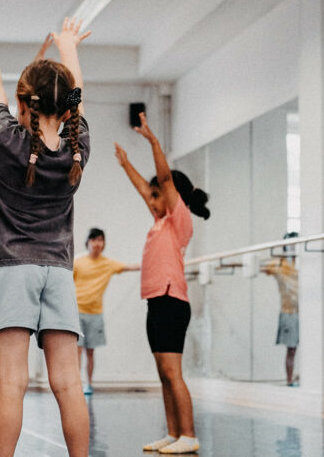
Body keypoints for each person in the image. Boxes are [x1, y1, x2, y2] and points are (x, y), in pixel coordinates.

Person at [0, 8, 91, 457]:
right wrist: (69, 48)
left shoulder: (6, 141)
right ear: (67, 109)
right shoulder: (78, 152)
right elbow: (77, 100)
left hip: (12, 270)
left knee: (12, 382)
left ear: (24, 104)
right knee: (68, 381)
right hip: (58, 272)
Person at [114, 112, 210, 455]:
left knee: (173, 370)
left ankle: (189, 434)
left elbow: (164, 180)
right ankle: (173, 433)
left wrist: (154, 142)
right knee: (162, 371)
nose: (151, 199)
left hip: (172, 300)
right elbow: (146, 188)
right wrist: (126, 164)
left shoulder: (178, 220)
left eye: (158, 196)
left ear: (172, 198)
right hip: (156, 301)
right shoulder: (158, 222)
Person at [73, 227, 139, 395]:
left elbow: (130, 267)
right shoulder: (77, 262)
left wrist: (155, 263)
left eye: (100, 240)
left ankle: (88, 384)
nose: (97, 243)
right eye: (94, 240)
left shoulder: (108, 264)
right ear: (88, 242)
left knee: (90, 352)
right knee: (77, 351)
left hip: (95, 313)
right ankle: (76, 384)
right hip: (77, 312)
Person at [260, 232, 299, 386]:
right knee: (291, 349)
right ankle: (289, 380)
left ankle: (300, 378)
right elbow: (261, 266)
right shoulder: (279, 264)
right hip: (289, 312)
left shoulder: (305, 262)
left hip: (306, 311)